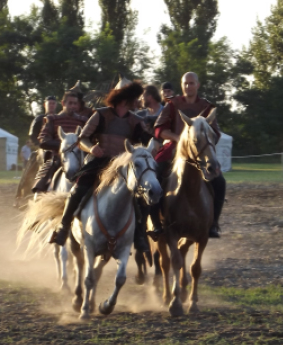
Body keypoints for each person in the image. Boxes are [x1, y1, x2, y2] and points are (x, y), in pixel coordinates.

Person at [48, 82, 152, 251]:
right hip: (99, 162)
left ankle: (140, 234)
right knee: (78, 190)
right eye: (134, 98)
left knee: (143, 195)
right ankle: (64, 227)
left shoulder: (136, 121)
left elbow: (147, 141)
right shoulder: (101, 115)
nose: (137, 101)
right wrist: (92, 148)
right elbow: (82, 139)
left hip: (124, 165)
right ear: (124, 100)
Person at [150, 72, 226, 239]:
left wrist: (205, 140)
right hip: (173, 150)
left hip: (200, 152)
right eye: (185, 83)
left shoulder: (207, 107)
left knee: (220, 182)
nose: (188, 86)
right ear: (182, 85)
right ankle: (156, 224)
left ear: (197, 85)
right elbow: (159, 130)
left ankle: (212, 224)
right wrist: (179, 138)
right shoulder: (172, 105)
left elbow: (216, 132)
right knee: (153, 178)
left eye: (191, 83)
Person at [32, 91, 88, 193]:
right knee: (41, 185)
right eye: (70, 103)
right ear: (63, 103)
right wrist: (64, 146)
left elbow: (90, 139)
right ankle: (39, 202)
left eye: (75, 103)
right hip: (57, 157)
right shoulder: (52, 119)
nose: (73, 106)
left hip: (80, 158)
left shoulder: (83, 121)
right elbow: (43, 140)